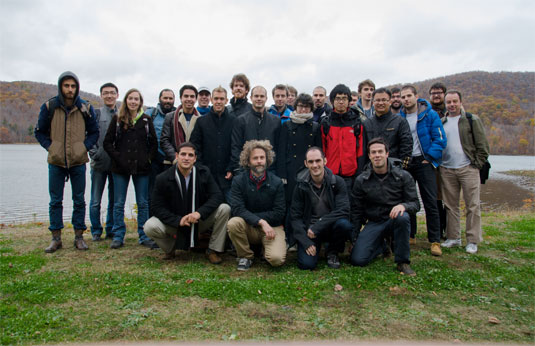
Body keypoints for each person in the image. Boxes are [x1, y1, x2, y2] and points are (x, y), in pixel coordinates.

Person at [35, 71, 98, 252]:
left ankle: (79, 237)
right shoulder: (49, 107)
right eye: (66, 86)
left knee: (79, 200)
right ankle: (56, 238)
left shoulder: (86, 108)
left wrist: (83, 147)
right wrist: (51, 147)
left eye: (73, 86)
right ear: (60, 87)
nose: (70, 90)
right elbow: (39, 132)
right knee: (55, 201)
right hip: (56, 161)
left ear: (77, 88)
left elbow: (94, 132)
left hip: (78, 160)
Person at [144, 142, 230, 263]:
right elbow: (156, 207)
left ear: (195, 158)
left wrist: (199, 213)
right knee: (149, 226)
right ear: (176, 156)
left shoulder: (204, 173)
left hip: (198, 221)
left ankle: (213, 250)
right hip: (175, 224)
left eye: (190, 155)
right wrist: (178, 220)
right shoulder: (162, 178)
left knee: (224, 208)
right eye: (183, 154)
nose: (186, 158)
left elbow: (217, 196)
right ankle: (170, 249)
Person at [350, 138, 420, 276]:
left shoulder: (403, 176)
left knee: (403, 217)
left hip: (395, 220)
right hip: (375, 222)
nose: (377, 155)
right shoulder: (362, 180)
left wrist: (403, 205)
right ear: (369, 155)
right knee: (357, 260)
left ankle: (402, 262)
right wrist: (354, 239)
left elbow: (415, 204)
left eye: (380, 151)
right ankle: (381, 246)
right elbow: (356, 211)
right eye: (373, 152)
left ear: (387, 153)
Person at [103, 88, 158, 249]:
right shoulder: (118, 119)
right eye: (130, 98)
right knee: (118, 203)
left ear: (140, 102)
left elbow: (154, 144)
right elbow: (107, 143)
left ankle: (144, 235)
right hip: (120, 169)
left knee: (142, 202)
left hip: (141, 169)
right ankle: (118, 235)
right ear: (126, 100)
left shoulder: (146, 120)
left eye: (136, 99)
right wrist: (118, 158)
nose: (133, 101)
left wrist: (147, 159)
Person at [399, 85, 447, 256]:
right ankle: (411, 235)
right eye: (403, 97)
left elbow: (440, 139)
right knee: (409, 199)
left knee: (430, 201)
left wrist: (430, 157)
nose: (406, 99)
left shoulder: (429, 114)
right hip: (407, 163)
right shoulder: (400, 117)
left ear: (416, 96)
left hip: (424, 162)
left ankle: (434, 240)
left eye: (409, 96)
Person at [440, 91, 489, 254]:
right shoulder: (442, 122)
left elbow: (483, 146)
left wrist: (476, 165)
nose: (452, 104)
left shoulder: (471, 120)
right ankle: (453, 237)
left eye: (455, 101)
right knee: (450, 205)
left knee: (472, 205)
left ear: (460, 102)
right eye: (449, 102)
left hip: (468, 168)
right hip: (447, 169)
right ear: (445, 104)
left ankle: (472, 240)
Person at [227, 140, 286, 271]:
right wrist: (260, 222)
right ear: (248, 162)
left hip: (272, 227)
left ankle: (266, 249)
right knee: (233, 223)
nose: (259, 161)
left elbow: (279, 213)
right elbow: (237, 209)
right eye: (255, 158)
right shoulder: (238, 181)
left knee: (276, 260)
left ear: (267, 160)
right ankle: (245, 256)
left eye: (262, 157)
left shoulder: (277, 182)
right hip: (249, 227)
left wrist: (262, 222)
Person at [291, 147, 352, 270]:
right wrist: (305, 242)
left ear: (325, 161)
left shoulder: (337, 182)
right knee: (306, 265)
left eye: (318, 161)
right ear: (305, 164)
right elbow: (295, 217)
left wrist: (318, 225)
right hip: (310, 232)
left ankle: (332, 252)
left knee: (344, 224)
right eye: (311, 162)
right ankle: (315, 248)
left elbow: (343, 210)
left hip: (330, 227)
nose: (315, 165)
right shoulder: (300, 186)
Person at [277, 93, 322, 247]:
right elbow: (281, 151)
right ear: (295, 107)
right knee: (291, 206)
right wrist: (282, 174)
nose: (303, 109)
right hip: (291, 171)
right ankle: (290, 239)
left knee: (308, 204)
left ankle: (305, 238)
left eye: (307, 106)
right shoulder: (287, 125)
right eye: (301, 106)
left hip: (309, 170)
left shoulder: (315, 126)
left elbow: (319, 150)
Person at [190, 86, 236, 201]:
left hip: (227, 176)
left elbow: (236, 146)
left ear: (226, 100)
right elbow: (195, 147)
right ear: (211, 100)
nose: (219, 102)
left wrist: (231, 167)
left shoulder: (234, 121)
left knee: (232, 209)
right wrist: (201, 169)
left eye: (221, 99)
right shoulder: (201, 121)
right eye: (216, 99)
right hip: (206, 176)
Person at [320, 84, 367, 192]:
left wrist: (359, 174)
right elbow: (322, 149)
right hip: (330, 175)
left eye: (344, 98)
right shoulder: (326, 123)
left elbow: (360, 151)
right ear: (332, 101)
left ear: (349, 101)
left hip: (351, 176)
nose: (341, 102)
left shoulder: (357, 122)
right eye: (337, 98)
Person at [89, 82, 119, 241]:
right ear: (101, 95)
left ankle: (111, 228)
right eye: (106, 93)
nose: (109, 95)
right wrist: (94, 153)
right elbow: (89, 134)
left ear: (117, 95)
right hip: (99, 164)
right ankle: (95, 230)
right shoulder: (96, 114)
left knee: (114, 200)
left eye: (112, 93)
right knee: (95, 200)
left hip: (115, 165)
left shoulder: (121, 114)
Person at [230, 86, 281, 174]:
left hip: (270, 171)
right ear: (251, 98)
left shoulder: (276, 121)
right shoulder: (241, 120)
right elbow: (236, 147)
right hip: (246, 171)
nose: (259, 99)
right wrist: (239, 170)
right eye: (256, 96)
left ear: (266, 98)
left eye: (262, 96)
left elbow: (279, 148)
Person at [363, 88, 412, 169]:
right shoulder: (366, 123)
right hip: (372, 170)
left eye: (384, 100)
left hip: (395, 169)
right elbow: (363, 150)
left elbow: (407, 146)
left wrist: (401, 168)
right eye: (377, 100)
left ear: (389, 102)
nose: (381, 103)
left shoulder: (400, 122)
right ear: (373, 102)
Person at [145, 88, 176, 216]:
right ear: (160, 99)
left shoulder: (176, 114)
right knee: (152, 193)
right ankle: (152, 222)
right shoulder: (150, 114)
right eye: (165, 98)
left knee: (171, 193)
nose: (168, 101)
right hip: (154, 160)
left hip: (171, 160)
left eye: (170, 98)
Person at [160, 85, 200, 165]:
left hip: (194, 163)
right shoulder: (170, 117)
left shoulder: (201, 119)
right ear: (181, 98)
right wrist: (176, 158)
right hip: (172, 163)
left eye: (192, 96)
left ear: (196, 99)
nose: (189, 99)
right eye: (186, 96)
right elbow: (164, 140)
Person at [428, 82, 448, 239]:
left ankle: (449, 230)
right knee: (434, 198)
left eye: (439, 92)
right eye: (433, 93)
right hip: (433, 162)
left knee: (448, 199)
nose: (436, 95)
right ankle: (437, 231)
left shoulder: (454, 113)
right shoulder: (426, 114)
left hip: (449, 163)